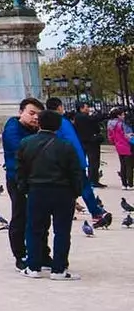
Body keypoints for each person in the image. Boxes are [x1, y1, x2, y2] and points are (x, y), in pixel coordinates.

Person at [18, 109, 84, 279]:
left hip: (37, 191)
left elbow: (21, 171)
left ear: (39, 123)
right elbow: (76, 172)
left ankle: (33, 267)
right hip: (62, 192)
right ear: (59, 125)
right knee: (61, 231)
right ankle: (59, 269)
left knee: (34, 229)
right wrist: (75, 192)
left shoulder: (26, 143)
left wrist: (24, 190)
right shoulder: (66, 146)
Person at [45, 97, 111, 226]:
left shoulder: (57, 122)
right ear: (59, 107)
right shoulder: (60, 122)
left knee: (71, 188)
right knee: (85, 187)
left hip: (71, 159)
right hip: (73, 160)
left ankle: (66, 210)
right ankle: (95, 212)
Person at [3, 97, 45, 272]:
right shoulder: (12, 129)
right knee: (20, 216)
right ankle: (20, 255)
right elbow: (22, 149)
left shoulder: (35, 131)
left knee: (39, 218)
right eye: (32, 113)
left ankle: (41, 253)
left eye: (39, 115)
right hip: (18, 179)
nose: (35, 118)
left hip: (36, 179)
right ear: (21, 112)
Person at [68, 101, 108, 188]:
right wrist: (100, 113)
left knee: (91, 161)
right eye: (86, 107)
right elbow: (95, 119)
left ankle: (92, 179)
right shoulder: (82, 117)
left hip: (84, 141)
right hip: (91, 141)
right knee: (93, 162)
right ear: (81, 108)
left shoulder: (77, 117)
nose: (88, 109)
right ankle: (93, 180)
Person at [108, 107, 132, 190]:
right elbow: (126, 135)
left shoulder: (110, 124)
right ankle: (130, 184)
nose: (124, 116)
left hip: (118, 145)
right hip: (126, 145)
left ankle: (124, 184)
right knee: (129, 165)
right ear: (118, 116)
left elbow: (110, 137)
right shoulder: (121, 124)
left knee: (123, 165)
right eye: (122, 114)